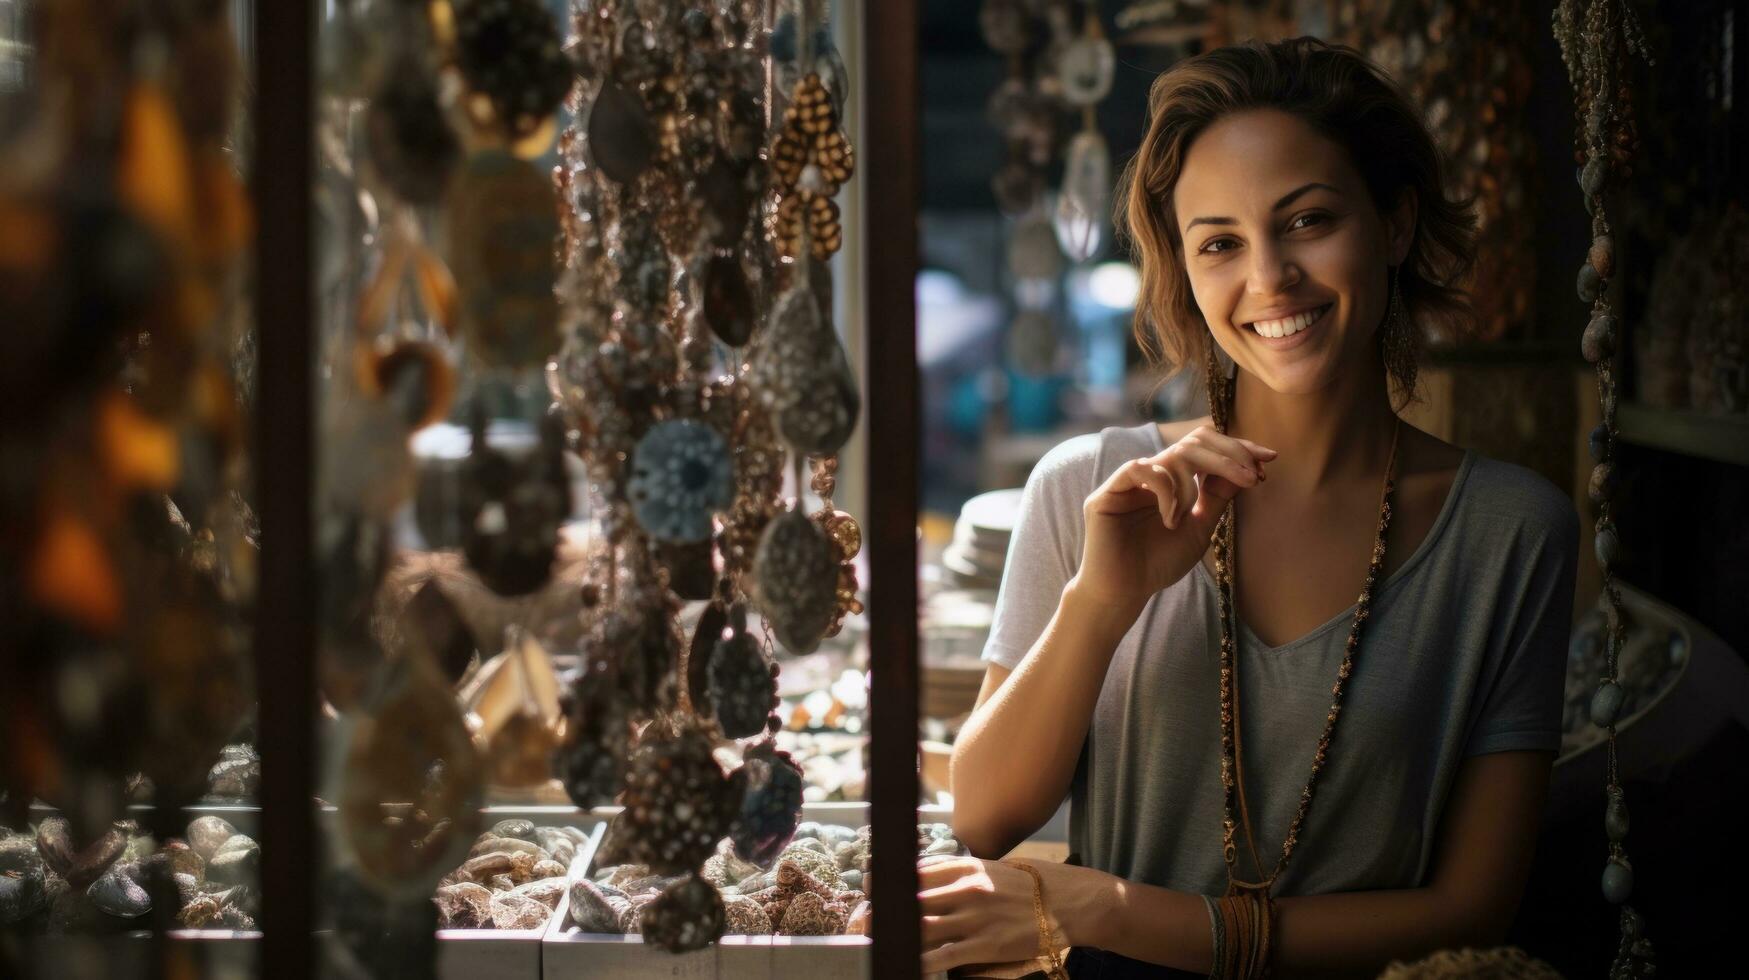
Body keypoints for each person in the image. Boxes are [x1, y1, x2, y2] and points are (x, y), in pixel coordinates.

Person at [923, 37, 1580, 978]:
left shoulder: (1510, 533)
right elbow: (984, 816)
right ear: (1183, 269)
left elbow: (1471, 912)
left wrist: (1111, 910)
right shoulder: (1088, 491)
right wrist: (1104, 599)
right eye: (1219, 242)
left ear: (1392, 226)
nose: (1268, 277)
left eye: (1307, 220)